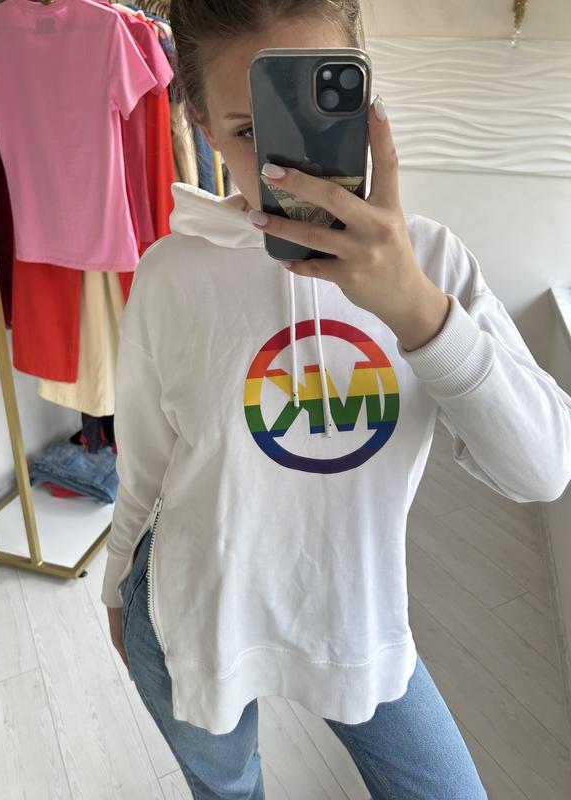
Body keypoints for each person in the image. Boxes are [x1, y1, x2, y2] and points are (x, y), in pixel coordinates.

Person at [101, 1, 571, 798]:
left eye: (320, 119)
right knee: (230, 792)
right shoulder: (171, 274)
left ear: (365, 102)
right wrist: (117, 583)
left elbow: (543, 471)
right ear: (203, 127)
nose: (288, 169)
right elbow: (145, 461)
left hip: (358, 617)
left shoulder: (430, 266)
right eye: (248, 132)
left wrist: (418, 311)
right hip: (193, 610)